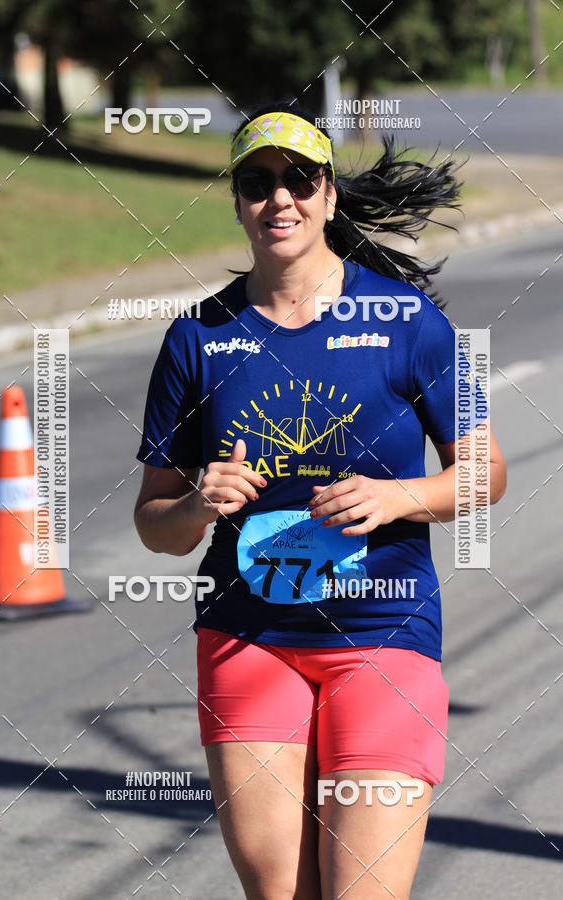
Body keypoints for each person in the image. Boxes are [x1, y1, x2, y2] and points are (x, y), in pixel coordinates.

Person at [134, 101, 507, 900]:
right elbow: (153, 526)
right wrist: (198, 505)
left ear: (329, 196)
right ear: (237, 201)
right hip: (248, 639)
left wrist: (396, 497)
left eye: (300, 179)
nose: (281, 199)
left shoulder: (408, 323)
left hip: (385, 634)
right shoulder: (198, 338)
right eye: (257, 182)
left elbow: (486, 473)